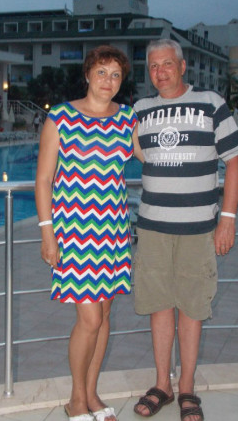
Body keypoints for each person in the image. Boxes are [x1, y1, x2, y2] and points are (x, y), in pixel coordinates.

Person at [132, 39, 238, 421]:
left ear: (183, 67)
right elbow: (126, 151)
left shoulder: (211, 103)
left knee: (193, 308)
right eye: (153, 66)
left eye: (167, 63)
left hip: (198, 228)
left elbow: (234, 162)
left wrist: (227, 218)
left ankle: (186, 388)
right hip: (153, 227)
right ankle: (162, 384)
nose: (160, 71)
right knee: (159, 305)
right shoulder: (140, 111)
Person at [35, 45, 141, 421]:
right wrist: (47, 234)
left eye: (116, 75)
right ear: (87, 75)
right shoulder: (61, 117)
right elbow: (44, 180)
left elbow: (152, 156)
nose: (108, 81)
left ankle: (92, 394)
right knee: (90, 319)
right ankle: (76, 400)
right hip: (74, 234)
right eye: (101, 72)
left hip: (113, 231)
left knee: (105, 315)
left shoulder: (128, 119)